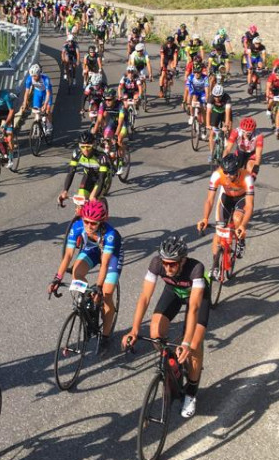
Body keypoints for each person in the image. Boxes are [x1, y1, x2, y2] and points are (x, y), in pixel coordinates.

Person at [122, 235, 209, 419]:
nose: (168, 268)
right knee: (155, 333)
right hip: (174, 292)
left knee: (193, 345)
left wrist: (186, 342)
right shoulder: (156, 264)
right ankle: (174, 369)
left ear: (183, 261)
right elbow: (145, 297)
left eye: (173, 264)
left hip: (198, 298)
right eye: (165, 263)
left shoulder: (196, 269)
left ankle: (191, 392)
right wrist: (134, 329)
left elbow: (193, 308)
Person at [49, 198, 124, 351]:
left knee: (107, 293)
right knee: (76, 274)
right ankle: (90, 300)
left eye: (93, 223)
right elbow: (68, 255)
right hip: (91, 250)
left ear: (101, 222)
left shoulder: (110, 234)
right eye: (86, 222)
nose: (89, 226)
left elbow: (105, 263)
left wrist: (99, 287)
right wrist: (57, 278)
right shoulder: (77, 226)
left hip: (111, 256)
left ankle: (106, 335)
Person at [197, 154, 254, 278]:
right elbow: (210, 200)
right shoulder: (217, 175)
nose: (228, 175)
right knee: (219, 230)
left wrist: (243, 226)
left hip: (241, 198)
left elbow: (249, 205)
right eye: (225, 172)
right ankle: (215, 265)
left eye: (231, 172)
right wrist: (205, 218)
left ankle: (241, 240)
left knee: (237, 219)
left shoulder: (247, 177)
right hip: (226, 198)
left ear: (238, 170)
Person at [57, 131, 110, 206]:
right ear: (79, 146)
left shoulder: (101, 156)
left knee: (92, 198)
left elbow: (101, 178)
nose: (85, 150)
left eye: (88, 146)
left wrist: (95, 196)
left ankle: (99, 214)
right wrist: (65, 191)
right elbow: (71, 173)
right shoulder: (77, 154)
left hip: (101, 177)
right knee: (80, 201)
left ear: (93, 145)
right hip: (88, 175)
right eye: (82, 146)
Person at [20, 62, 54, 136]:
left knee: (47, 110)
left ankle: (49, 126)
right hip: (37, 93)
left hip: (46, 93)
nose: (34, 78)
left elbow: (48, 93)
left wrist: (45, 104)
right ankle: (37, 125)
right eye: (32, 76)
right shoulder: (29, 79)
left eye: (35, 76)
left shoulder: (45, 79)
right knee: (36, 110)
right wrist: (24, 102)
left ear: (39, 74)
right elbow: (26, 92)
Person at [206, 84, 232, 160]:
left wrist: (226, 125)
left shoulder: (227, 98)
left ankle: (227, 146)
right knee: (212, 133)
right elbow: (208, 112)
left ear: (222, 95)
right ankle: (211, 153)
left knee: (229, 127)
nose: (216, 98)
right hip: (216, 112)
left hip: (225, 112)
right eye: (215, 96)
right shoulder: (211, 98)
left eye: (219, 97)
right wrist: (208, 125)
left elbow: (227, 113)